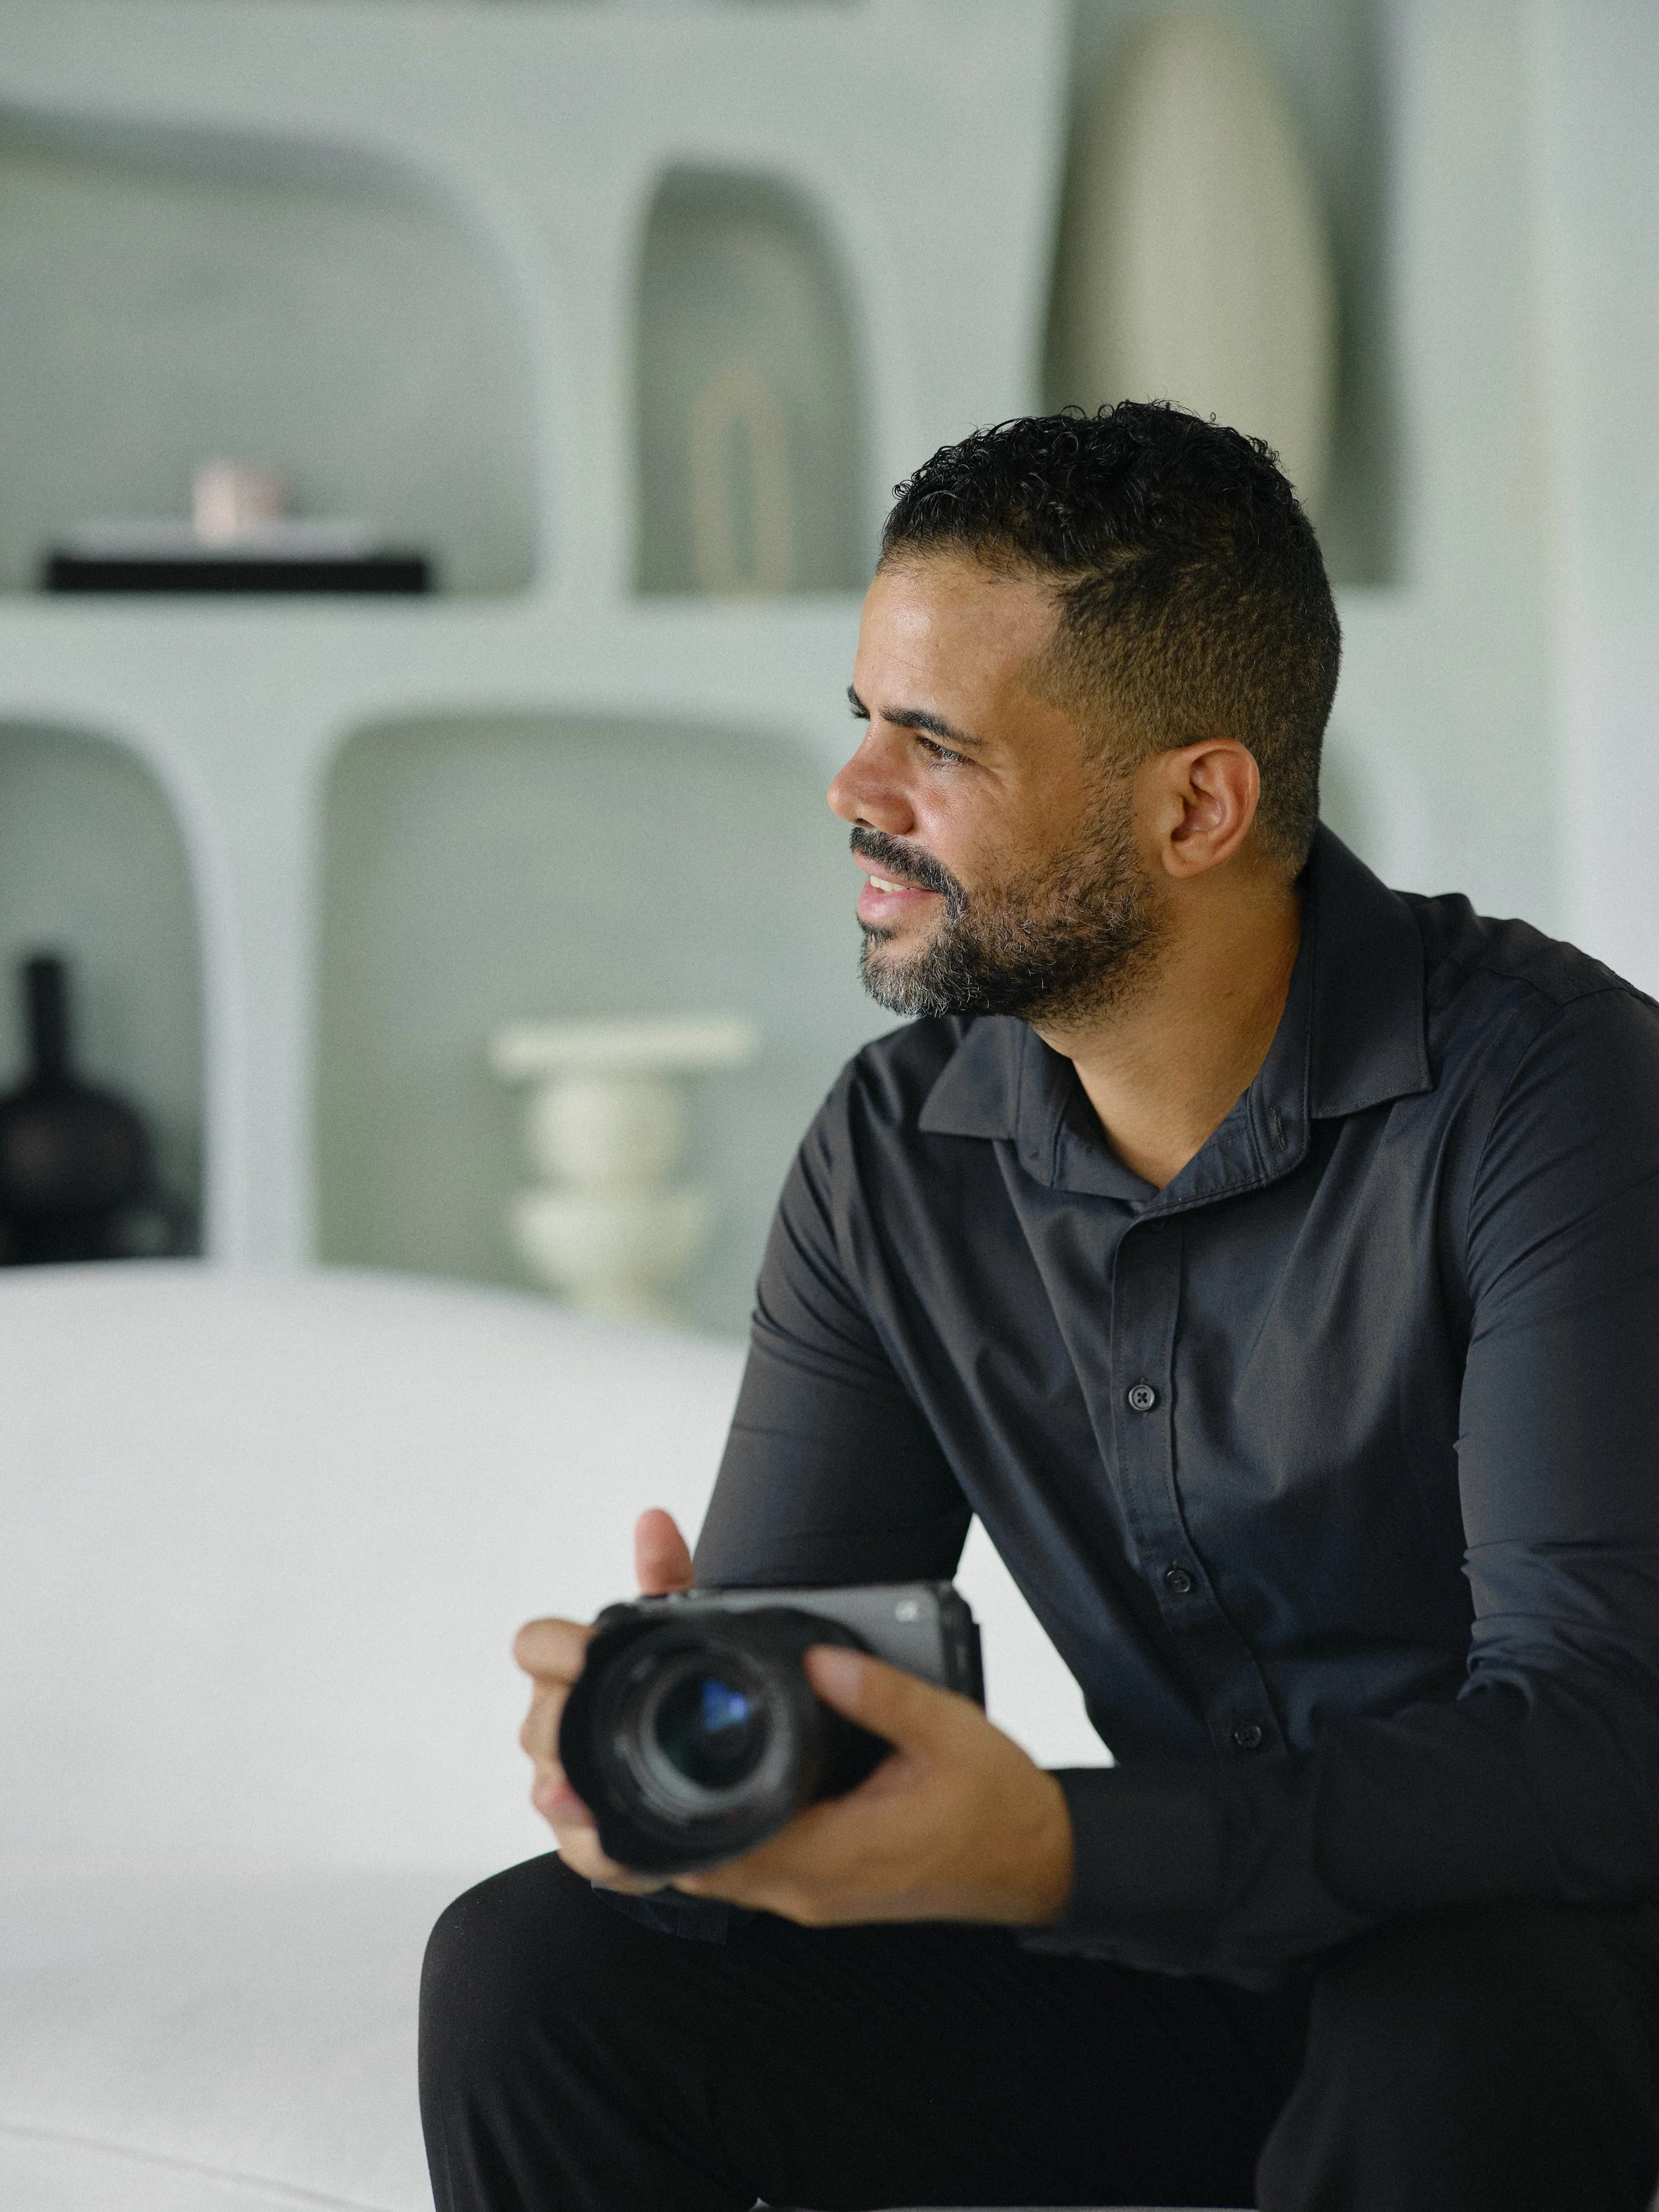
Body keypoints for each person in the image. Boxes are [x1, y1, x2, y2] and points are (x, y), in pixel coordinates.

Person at [419, 404, 1659, 2212]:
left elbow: (1598, 1747)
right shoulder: (894, 1148)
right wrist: (671, 1771)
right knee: (542, 1970)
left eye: (933, 743)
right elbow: (809, 1685)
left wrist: (1065, 1847)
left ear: (1193, 805)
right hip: (1194, 1965)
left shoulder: (1551, 1089)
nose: (852, 788)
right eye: (863, 717)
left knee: (1448, 2009)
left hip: (1555, 1963)